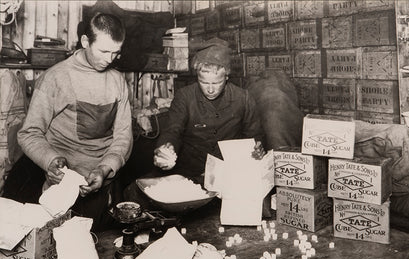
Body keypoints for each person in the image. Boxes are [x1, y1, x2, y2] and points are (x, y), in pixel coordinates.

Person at [4, 13, 132, 231]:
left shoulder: (117, 81)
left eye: (116, 53)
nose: (110, 59)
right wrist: (51, 160)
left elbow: (123, 137)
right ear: (85, 42)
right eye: (104, 51)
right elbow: (29, 133)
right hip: (59, 178)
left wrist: (104, 169)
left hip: (99, 177)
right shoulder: (56, 78)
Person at [153, 37, 265, 180]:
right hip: (189, 171)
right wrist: (165, 149)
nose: (210, 90)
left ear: (226, 77)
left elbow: (255, 135)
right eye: (204, 82)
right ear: (197, 77)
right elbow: (172, 131)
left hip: (228, 172)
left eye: (216, 83)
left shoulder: (243, 98)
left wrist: (258, 148)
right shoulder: (185, 96)